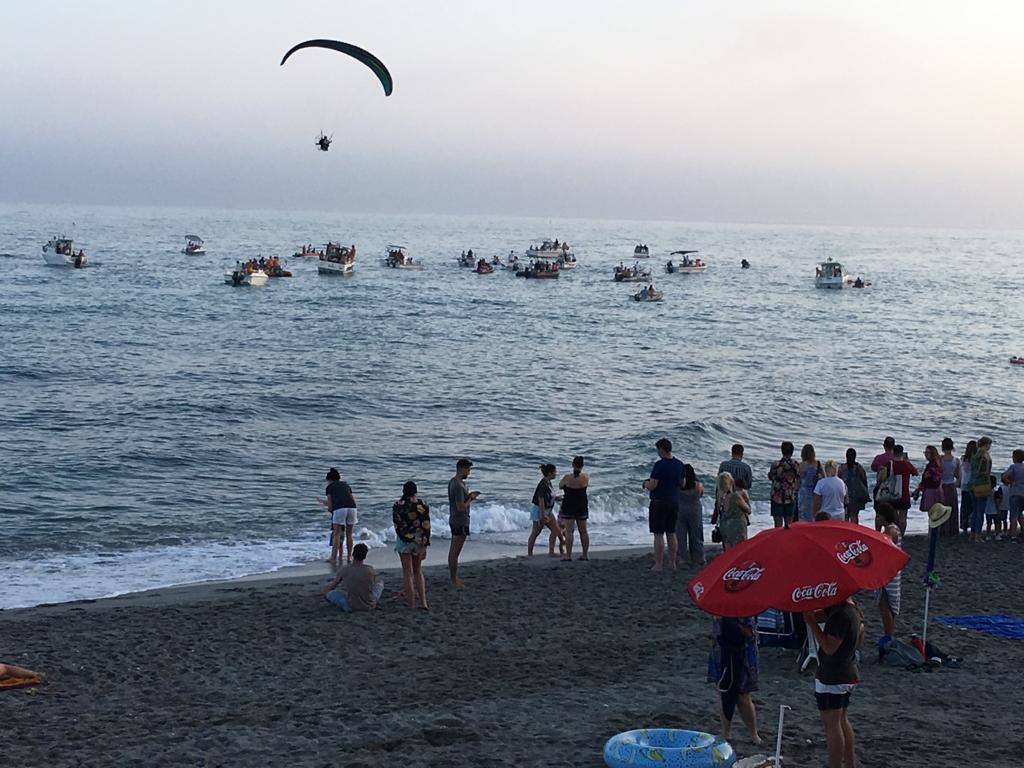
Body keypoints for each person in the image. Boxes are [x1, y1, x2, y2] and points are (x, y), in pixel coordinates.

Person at [804, 598, 864, 768]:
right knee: (841, 720)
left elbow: (829, 647)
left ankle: (836, 765)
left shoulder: (842, 614)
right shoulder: (850, 609)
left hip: (834, 675)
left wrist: (812, 624)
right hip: (846, 671)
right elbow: (820, 616)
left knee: (832, 724)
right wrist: (810, 614)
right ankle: (849, 764)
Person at [707, 616, 762, 746]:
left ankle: (753, 734)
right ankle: (726, 733)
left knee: (743, 696)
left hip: (743, 651)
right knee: (724, 691)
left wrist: (735, 624)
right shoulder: (719, 602)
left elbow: (750, 633)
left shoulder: (746, 607)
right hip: (722, 648)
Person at [642, 438, 683, 572]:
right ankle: (672, 563)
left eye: (657, 450)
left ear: (661, 449)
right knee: (671, 532)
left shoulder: (659, 465)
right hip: (674, 501)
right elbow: (682, 484)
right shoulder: (679, 464)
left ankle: (658, 564)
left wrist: (645, 484)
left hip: (659, 502)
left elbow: (653, 485)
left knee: (658, 534)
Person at [393, 481, 430, 610]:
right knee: (418, 571)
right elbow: (426, 525)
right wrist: (425, 544)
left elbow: (397, 526)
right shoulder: (422, 504)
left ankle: (411, 604)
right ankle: (423, 602)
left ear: (404, 491)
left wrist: (405, 537)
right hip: (419, 540)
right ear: (415, 491)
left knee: (407, 573)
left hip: (404, 541)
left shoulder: (398, 505)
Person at [321, 543, 384, 612]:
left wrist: (326, 589)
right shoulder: (370, 570)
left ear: (353, 554)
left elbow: (333, 585)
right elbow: (370, 587)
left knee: (330, 592)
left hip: (350, 606)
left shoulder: (345, 569)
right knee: (380, 583)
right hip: (369, 605)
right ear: (365, 556)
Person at [447, 458, 480, 587]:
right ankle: (454, 579)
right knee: (455, 552)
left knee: (454, 551)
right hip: (459, 520)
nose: (469, 473)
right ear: (462, 468)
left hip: (456, 519)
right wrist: (471, 498)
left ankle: (454, 578)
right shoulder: (457, 485)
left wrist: (469, 496)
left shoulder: (453, 482)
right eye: (468, 469)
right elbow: (461, 506)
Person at [873, 502, 902, 640]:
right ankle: (889, 633)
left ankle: (889, 635)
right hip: (891, 571)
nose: (876, 518)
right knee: (888, 605)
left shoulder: (891, 531)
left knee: (885, 605)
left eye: (878, 516)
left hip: (888, 572)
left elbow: (883, 549)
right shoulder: (892, 529)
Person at [318, 467, 358, 566]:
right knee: (349, 534)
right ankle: (349, 556)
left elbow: (331, 506)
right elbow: (352, 499)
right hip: (352, 508)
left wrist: (328, 507)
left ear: (329, 480)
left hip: (340, 509)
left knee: (336, 534)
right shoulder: (346, 485)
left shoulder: (330, 487)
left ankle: (333, 558)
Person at [528, 464, 565, 557]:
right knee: (536, 532)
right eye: (555, 472)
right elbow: (541, 500)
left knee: (556, 530)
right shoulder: (543, 484)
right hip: (540, 511)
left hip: (548, 511)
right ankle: (530, 554)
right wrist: (542, 515)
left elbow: (551, 497)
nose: (556, 473)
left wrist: (561, 498)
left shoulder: (548, 483)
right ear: (550, 473)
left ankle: (551, 552)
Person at [559, 456, 590, 561]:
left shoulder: (567, 478)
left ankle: (568, 555)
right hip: (581, 505)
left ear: (572, 465)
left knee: (569, 531)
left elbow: (560, 485)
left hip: (569, 505)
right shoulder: (585, 477)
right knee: (584, 532)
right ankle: (585, 554)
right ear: (582, 466)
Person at [676, 464, 705, 566]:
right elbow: (701, 494)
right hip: (695, 510)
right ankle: (698, 557)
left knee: (680, 535)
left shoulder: (678, 486)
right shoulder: (698, 486)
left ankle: (682, 558)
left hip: (680, 511)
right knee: (696, 534)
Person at [767, 441, 799, 527]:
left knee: (778, 525)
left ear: (782, 451)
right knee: (789, 525)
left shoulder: (775, 464)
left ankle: (778, 540)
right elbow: (799, 477)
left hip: (777, 496)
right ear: (792, 452)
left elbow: (770, 477)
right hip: (790, 496)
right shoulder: (795, 464)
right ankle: (788, 540)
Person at [889, 446, 919, 534]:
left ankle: (893, 535)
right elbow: (916, 473)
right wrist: (907, 461)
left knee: (893, 518)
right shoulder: (907, 464)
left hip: (892, 494)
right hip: (904, 494)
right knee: (903, 518)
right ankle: (901, 535)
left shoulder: (889, 464)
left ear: (893, 453)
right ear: (902, 453)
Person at [716, 472, 750, 549]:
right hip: (737, 526)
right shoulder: (735, 496)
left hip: (724, 525)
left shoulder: (719, 496)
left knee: (728, 550)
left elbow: (719, 510)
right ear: (731, 482)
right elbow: (748, 510)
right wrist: (746, 499)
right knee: (739, 549)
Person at [970, 437, 994, 541]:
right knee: (980, 511)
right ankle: (978, 535)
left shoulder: (974, 455)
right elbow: (986, 472)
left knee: (975, 510)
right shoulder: (985, 456)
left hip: (973, 483)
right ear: (987, 444)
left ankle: (972, 533)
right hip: (982, 484)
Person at [837, 449, 869, 524]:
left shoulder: (842, 468)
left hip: (845, 495)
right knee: (854, 516)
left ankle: (845, 532)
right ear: (855, 457)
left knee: (845, 516)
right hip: (856, 496)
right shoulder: (859, 468)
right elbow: (864, 481)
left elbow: (838, 481)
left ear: (846, 456)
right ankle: (854, 533)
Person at [912, 445, 944, 518]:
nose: (926, 454)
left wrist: (918, 490)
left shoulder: (931, 466)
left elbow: (925, 481)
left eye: (927, 452)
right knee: (935, 514)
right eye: (925, 452)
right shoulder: (938, 464)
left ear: (932, 454)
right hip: (938, 490)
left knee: (932, 514)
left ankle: (933, 529)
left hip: (931, 491)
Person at [939, 438, 962, 537]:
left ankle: (942, 530)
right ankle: (952, 530)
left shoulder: (940, 459)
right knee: (952, 510)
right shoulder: (956, 460)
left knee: (941, 508)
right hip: (951, 485)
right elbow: (958, 476)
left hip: (942, 486)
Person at [1001, 449, 1024, 541]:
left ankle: (1013, 534)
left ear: (1014, 458)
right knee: (1020, 514)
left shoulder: (1013, 467)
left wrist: (1010, 482)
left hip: (1015, 492)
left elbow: (1004, 476)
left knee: (1013, 515)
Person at [797, 444, 824, 523]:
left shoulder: (801, 465)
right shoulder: (818, 464)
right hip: (815, 492)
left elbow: (798, 481)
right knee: (814, 515)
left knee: (803, 516)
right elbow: (824, 478)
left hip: (803, 493)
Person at [960, 440, 977, 534]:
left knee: (964, 506)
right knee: (973, 506)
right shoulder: (976, 459)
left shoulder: (963, 458)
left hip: (964, 483)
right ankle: (972, 524)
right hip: (973, 484)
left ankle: (964, 525)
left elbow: (962, 472)